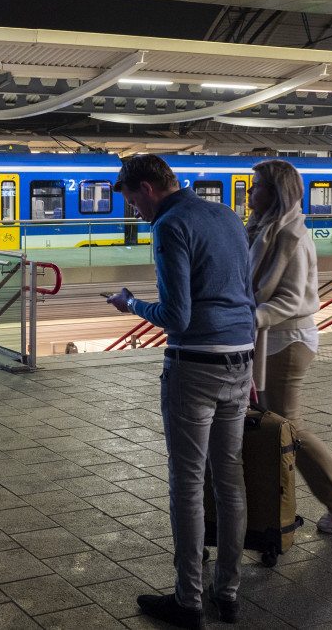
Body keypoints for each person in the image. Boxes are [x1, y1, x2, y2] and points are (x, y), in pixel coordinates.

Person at [107, 155, 255, 629]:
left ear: (147, 188)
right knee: (229, 478)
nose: (136, 213)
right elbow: (246, 293)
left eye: (134, 202)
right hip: (241, 358)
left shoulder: (170, 225)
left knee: (188, 482)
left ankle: (188, 600)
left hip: (195, 366)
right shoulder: (227, 215)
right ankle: (228, 593)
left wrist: (131, 303)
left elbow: (177, 316)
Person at [247, 159, 332, 533]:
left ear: (276, 192)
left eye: (257, 185)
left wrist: (251, 316)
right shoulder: (263, 230)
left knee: (288, 427)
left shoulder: (292, 236)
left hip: (286, 341)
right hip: (270, 340)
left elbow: (294, 298)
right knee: (277, 426)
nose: (250, 191)